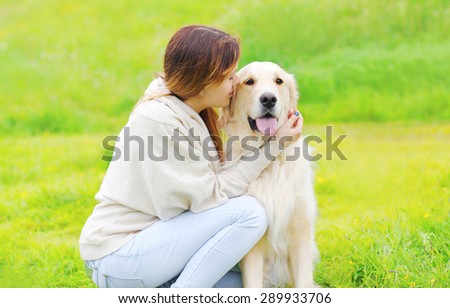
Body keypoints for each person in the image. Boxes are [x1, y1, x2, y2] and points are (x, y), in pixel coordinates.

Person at [79, 25, 303, 288]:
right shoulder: (160, 119)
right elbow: (211, 196)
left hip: (158, 248)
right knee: (250, 214)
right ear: (203, 80)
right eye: (229, 76)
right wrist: (273, 147)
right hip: (120, 256)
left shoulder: (191, 112)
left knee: (258, 281)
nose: (235, 83)